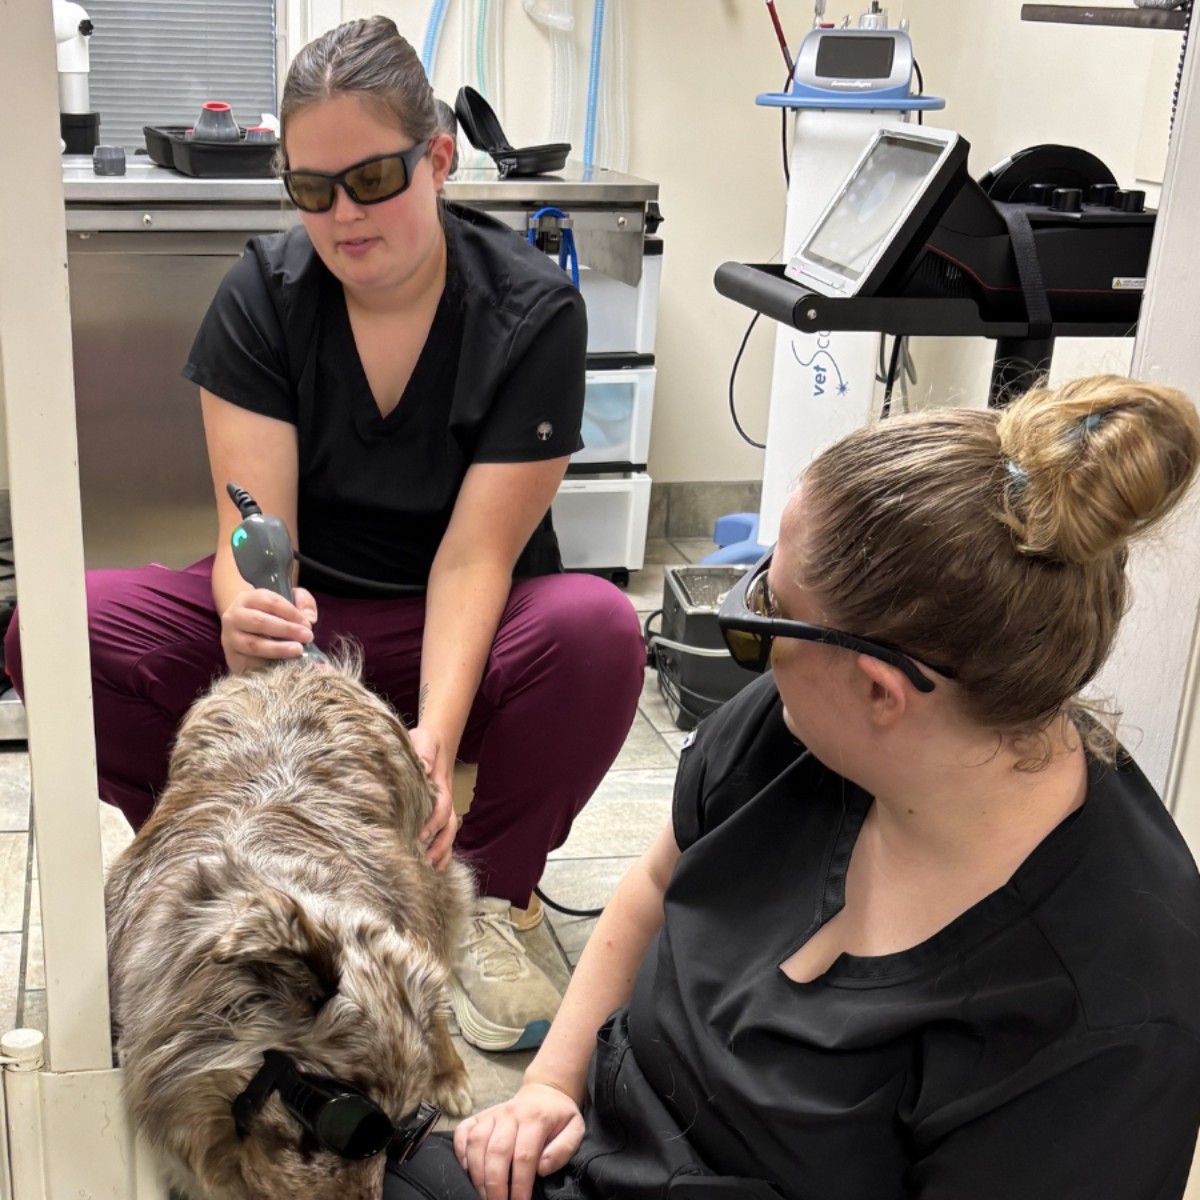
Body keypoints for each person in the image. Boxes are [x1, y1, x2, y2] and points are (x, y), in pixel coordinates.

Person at [384, 375, 1200, 1199]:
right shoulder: (793, 731)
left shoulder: (1100, 1016)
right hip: (593, 1154)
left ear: (880, 690)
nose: (750, 614)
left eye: (767, 609)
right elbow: (657, 884)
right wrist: (548, 1089)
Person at [3, 15, 646, 1054]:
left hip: (459, 626)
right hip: (314, 615)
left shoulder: (530, 314)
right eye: (310, 189)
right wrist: (245, 612)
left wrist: (432, 737)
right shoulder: (263, 294)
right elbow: (256, 536)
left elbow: (475, 558)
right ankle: (214, 858)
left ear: (438, 158)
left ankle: (493, 892)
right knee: (60, 631)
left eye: (374, 178)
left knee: (599, 633)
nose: (342, 215)